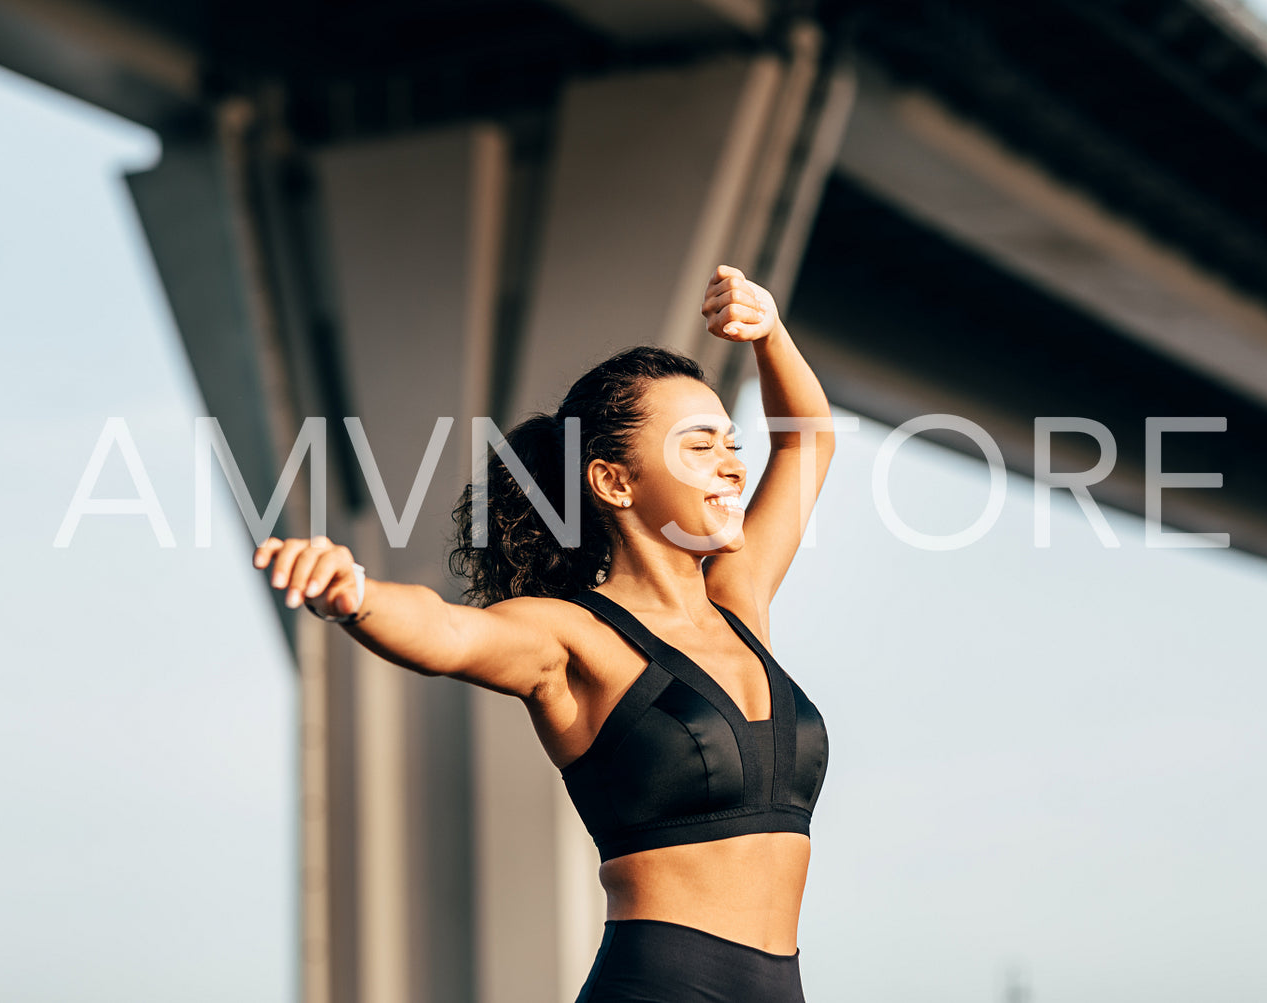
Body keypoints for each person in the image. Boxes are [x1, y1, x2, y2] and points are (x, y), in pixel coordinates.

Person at [253, 264, 836, 1002]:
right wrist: (354, 594)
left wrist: (770, 332)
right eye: (698, 447)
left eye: (730, 444)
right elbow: (447, 634)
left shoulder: (738, 602)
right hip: (659, 985)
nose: (728, 466)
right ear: (614, 482)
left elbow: (806, 441)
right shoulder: (571, 636)